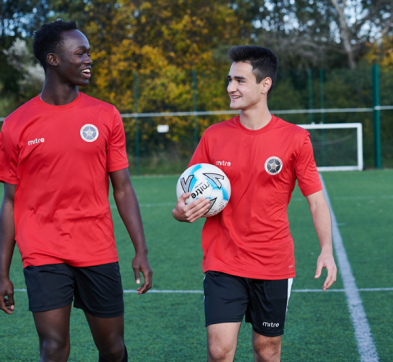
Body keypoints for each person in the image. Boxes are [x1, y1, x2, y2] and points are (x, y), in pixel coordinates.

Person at [172, 45, 337, 362]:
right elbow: (184, 201)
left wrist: (326, 249)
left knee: (267, 349)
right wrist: (181, 212)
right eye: (229, 80)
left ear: (265, 84)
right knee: (219, 351)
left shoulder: (295, 138)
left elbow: (316, 200)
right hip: (223, 260)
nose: (230, 87)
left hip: (273, 262)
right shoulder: (213, 136)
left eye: (240, 80)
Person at [0, 20, 152, 362]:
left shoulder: (105, 115)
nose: (89, 60)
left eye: (89, 53)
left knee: (112, 349)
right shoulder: (15, 125)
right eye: (80, 53)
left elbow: (123, 189)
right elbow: (9, 203)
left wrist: (141, 250)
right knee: (53, 347)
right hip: (43, 251)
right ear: (53, 60)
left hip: (96, 247)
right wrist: (2, 271)